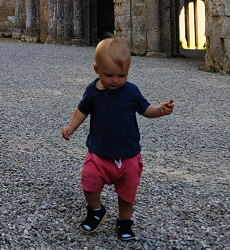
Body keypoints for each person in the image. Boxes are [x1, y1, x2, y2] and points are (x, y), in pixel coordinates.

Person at [62, 37, 174, 240]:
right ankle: (96, 210)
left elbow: (146, 109)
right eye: (109, 75)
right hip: (99, 154)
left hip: (129, 155)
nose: (115, 80)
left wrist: (160, 110)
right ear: (96, 69)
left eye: (122, 75)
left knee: (127, 193)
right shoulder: (92, 91)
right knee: (89, 182)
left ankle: (124, 221)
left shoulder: (131, 91)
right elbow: (82, 111)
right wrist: (71, 126)